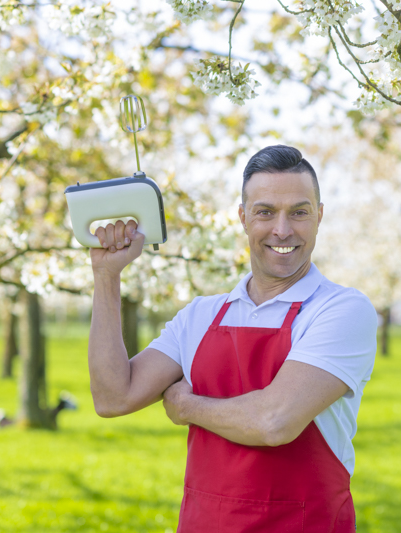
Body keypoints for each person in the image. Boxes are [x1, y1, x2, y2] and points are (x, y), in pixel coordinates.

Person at [87, 145, 377, 533]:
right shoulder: (200, 315)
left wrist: (187, 406)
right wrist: (107, 277)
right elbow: (112, 397)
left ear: (320, 216)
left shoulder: (342, 310)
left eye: (299, 212)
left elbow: (275, 421)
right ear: (242, 217)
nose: (282, 229)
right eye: (265, 212)